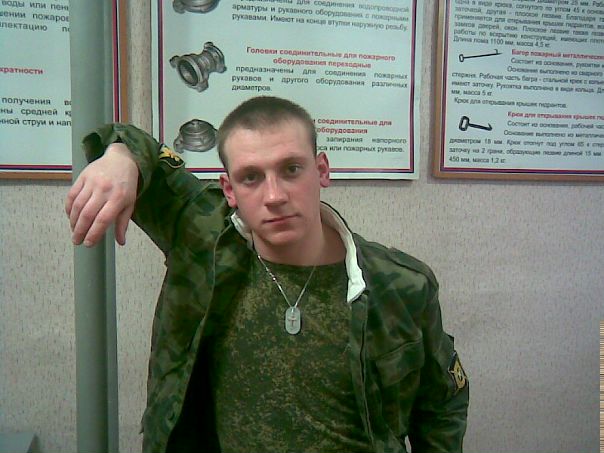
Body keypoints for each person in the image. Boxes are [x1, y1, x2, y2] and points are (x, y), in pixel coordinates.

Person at [66, 96, 469, 453]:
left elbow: (441, 404)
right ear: (229, 190)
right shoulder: (203, 239)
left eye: (291, 169)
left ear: (322, 170)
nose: (274, 196)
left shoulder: (401, 285)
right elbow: (136, 145)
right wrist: (120, 155)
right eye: (251, 177)